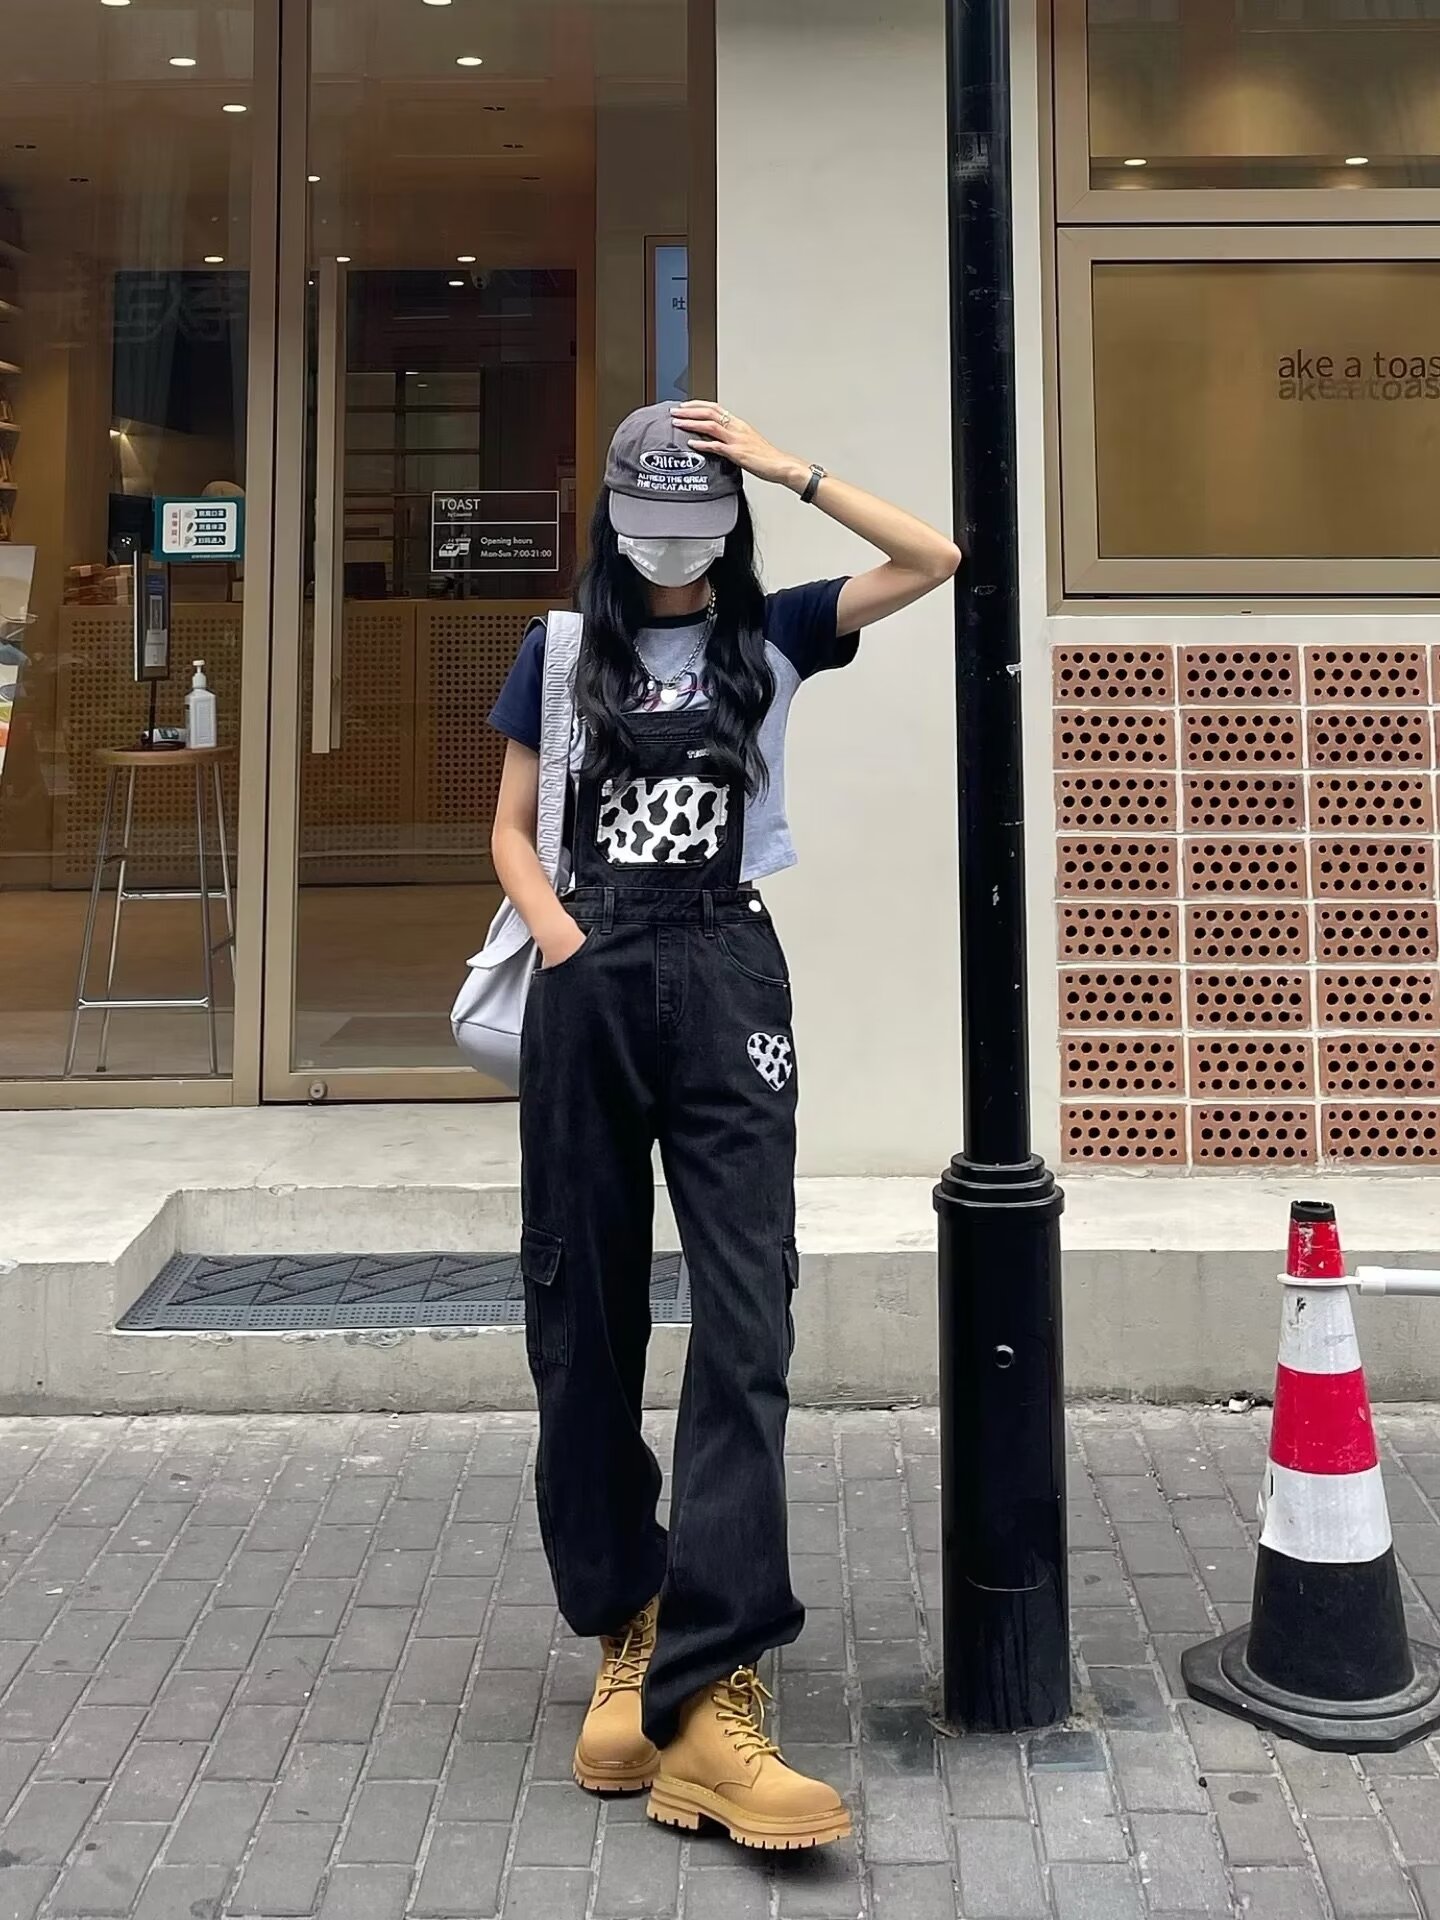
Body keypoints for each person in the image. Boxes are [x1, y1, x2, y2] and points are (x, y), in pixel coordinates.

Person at [488, 399, 960, 1851]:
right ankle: (630, 1624)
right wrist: (564, 943)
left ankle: (710, 1683)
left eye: (696, 531)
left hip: (728, 969)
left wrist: (786, 466)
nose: (672, 559)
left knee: (748, 1319)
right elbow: (508, 826)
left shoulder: (777, 631)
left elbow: (935, 558)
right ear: (615, 527)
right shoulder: (560, 649)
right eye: (653, 532)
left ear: (727, 527)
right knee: (583, 1312)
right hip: (591, 976)